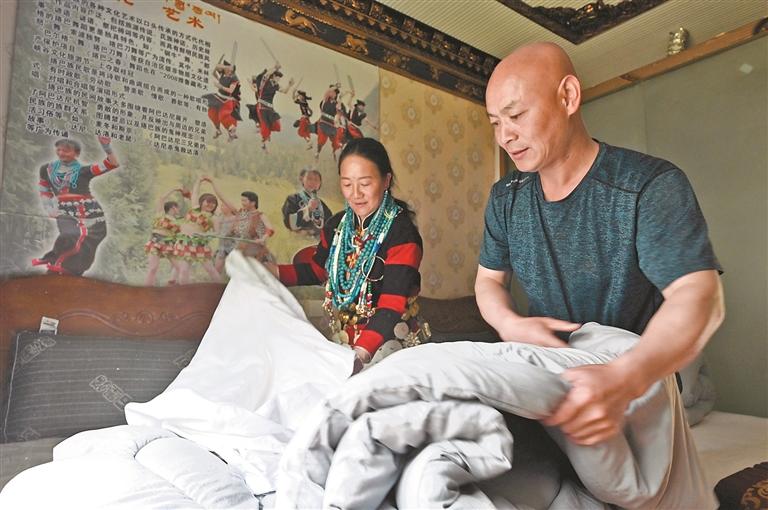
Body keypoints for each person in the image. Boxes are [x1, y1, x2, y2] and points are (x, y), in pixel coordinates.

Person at [477, 42, 724, 446]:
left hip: (643, 372)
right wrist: (508, 323)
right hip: (559, 368)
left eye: (516, 115)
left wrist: (624, 377)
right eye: (495, 122)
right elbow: (488, 281)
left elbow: (699, 296)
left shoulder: (648, 185)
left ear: (568, 96)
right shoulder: (505, 198)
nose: (505, 136)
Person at [270, 138, 427, 369]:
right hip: (346, 345)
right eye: (347, 184)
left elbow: (391, 303)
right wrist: (269, 272)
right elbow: (318, 270)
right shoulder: (337, 226)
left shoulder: (401, 232)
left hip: (390, 346)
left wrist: (359, 355)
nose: (355, 194)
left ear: (386, 181)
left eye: (365, 183)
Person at [33, 135, 119, 275]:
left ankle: (72, 269)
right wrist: (49, 208)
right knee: (70, 234)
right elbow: (44, 189)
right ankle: (55, 261)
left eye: (66, 151)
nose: (61, 153)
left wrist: (106, 147)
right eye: (59, 150)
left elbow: (112, 164)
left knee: (93, 237)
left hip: (90, 210)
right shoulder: (46, 169)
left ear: (76, 153)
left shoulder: (83, 171)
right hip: (65, 210)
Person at [213, 187, 276, 273]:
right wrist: (212, 183)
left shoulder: (260, 215)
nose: (242, 203)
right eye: (242, 200)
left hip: (254, 250)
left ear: (253, 203)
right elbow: (223, 199)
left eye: (244, 201)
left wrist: (262, 239)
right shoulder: (240, 212)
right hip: (239, 248)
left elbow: (270, 229)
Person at [174, 177, 222, 284]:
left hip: (199, 244)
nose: (210, 205)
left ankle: (221, 289)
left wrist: (205, 235)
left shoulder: (214, 218)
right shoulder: (195, 208)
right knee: (184, 270)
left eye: (213, 203)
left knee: (210, 270)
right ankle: (184, 291)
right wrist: (199, 180)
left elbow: (217, 233)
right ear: (201, 202)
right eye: (208, 202)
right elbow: (195, 193)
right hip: (185, 243)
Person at [144, 188, 186, 286]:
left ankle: (176, 285)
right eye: (177, 208)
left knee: (180, 268)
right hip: (155, 242)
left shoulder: (177, 221)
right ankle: (147, 289)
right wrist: (174, 189)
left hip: (169, 244)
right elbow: (161, 198)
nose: (178, 210)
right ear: (173, 207)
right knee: (153, 268)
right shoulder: (161, 214)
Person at [250, 64, 294, 152]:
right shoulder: (265, 82)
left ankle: (263, 131)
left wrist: (289, 85)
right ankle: (263, 143)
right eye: (277, 77)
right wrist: (275, 68)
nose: (278, 79)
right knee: (265, 126)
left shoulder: (276, 85)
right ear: (273, 76)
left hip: (270, 109)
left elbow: (284, 91)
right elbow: (266, 75)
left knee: (277, 126)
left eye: (279, 78)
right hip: (262, 107)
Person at [281, 167, 333, 238]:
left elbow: (330, 224)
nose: (313, 182)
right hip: (299, 240)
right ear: (302, 179)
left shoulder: (322, 205)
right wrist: (308, 209)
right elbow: (289, 222)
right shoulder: (292, 199)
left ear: (320, 183)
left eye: (316, 180)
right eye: (309, 179)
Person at [203, 60, 242, 142]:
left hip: (227, 100)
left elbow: (231, 90)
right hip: (218, 97)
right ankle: (218, 130)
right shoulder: (223, 74)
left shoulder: (234, 78)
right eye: (225, 68)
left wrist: (220, 86)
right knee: (212, 113)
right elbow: (214, 72)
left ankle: (231, 133)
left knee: (223, 116)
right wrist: (223, 67)